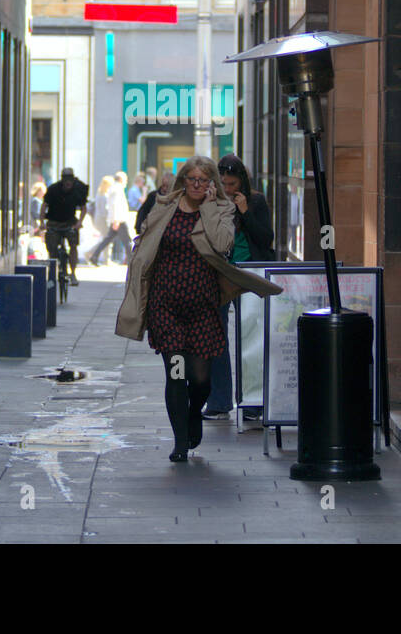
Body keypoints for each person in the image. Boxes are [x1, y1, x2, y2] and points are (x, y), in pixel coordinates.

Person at [114, 155, 283, 463]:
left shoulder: (221, 209)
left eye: (203, 181)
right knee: (176, 372)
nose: (197, 185)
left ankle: (194, 413)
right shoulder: (164, 205)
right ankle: (180, 441)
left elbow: (222, 245)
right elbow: (146, 237)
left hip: (203, 304)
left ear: (211, 185)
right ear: (183, 181)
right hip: (166, 304)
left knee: (201, 379)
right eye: (192, 180)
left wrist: (207, 207)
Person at [202, 154, 276, 421]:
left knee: (250, 337)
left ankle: (253, 401)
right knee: (216, 338)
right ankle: (220, 401)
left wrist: (245, 212)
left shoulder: (255, 201)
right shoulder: (210, 201)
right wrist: (210, 207)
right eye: (223, 183)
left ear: (241, 182)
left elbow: (265, 238)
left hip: (248, 274)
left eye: (232, 184)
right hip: (219, 273)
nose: (228, 188)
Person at [41, 168, 89, 285]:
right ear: (62, 180)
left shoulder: (78, 190)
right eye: (65, 179)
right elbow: (44, 205)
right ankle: (53, 272)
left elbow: (83, 208)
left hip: (69, 222)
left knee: (73, 245)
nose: (68, 182)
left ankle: (73, 273)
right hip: (54, 222)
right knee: (52, 248)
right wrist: (42, 222)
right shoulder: (53, 189)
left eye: (70, 179)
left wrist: (79, 223)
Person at [88, 173, 133, 266]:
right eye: (126, 180)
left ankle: (94, 256)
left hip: (116, 220)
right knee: (127, 241)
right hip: (119, 220)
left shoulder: (114, 189)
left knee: (107, 240)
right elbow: (115, 205)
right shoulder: (117, 189)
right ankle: (132, 260)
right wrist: (116, 220)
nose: (126, 182)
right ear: (121, 180)